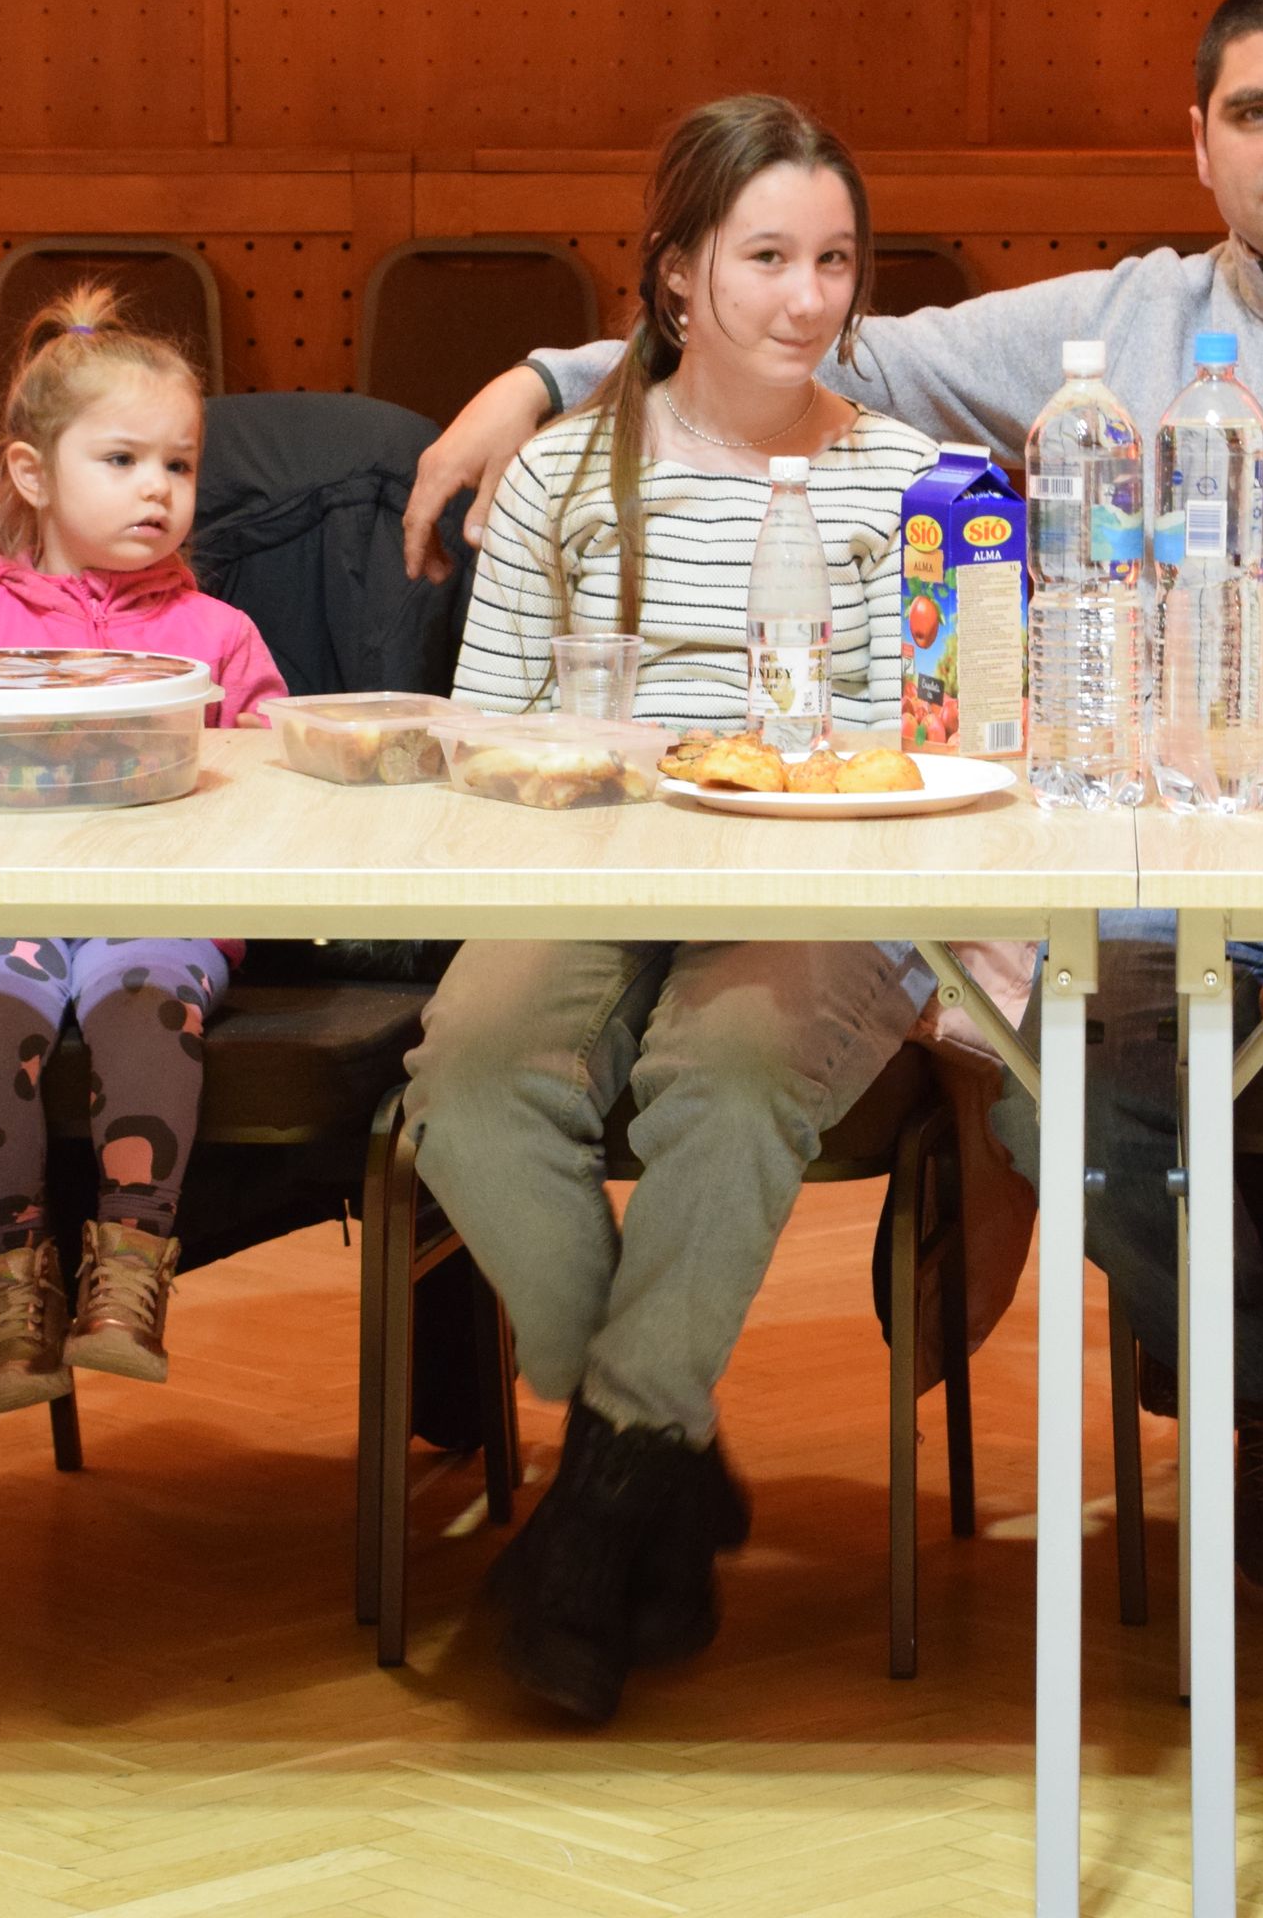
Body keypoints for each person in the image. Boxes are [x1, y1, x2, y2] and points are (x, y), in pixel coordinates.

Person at [401, 0, 1263, 1647]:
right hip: (1177, 849)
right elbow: (793, 332)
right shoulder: (1127, 326)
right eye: (1257, 112)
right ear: (1201, 146)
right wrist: (540, 379)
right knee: (1052, 1098)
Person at [402, 95, 940, 1723]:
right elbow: (493, 740)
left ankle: (597, 1512)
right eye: (767, 257)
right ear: (678, 274)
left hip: (824, 880)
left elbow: (924, 747)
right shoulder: (566, 473)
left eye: (835, 261)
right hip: (596, 865)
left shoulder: (906, 481)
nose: (808, 298)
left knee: (733, 1066)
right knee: (471, 1074)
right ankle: (660, 1450)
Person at [0, 289, 289, 1417]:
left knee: (144, 993)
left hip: (160, 908)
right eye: (121, 460)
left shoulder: (219, 636)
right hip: (1, 908)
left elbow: (269, 790)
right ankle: (11, 1292)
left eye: (177, 465)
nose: (156, 490)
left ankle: (128, 1274)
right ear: (32, 474)